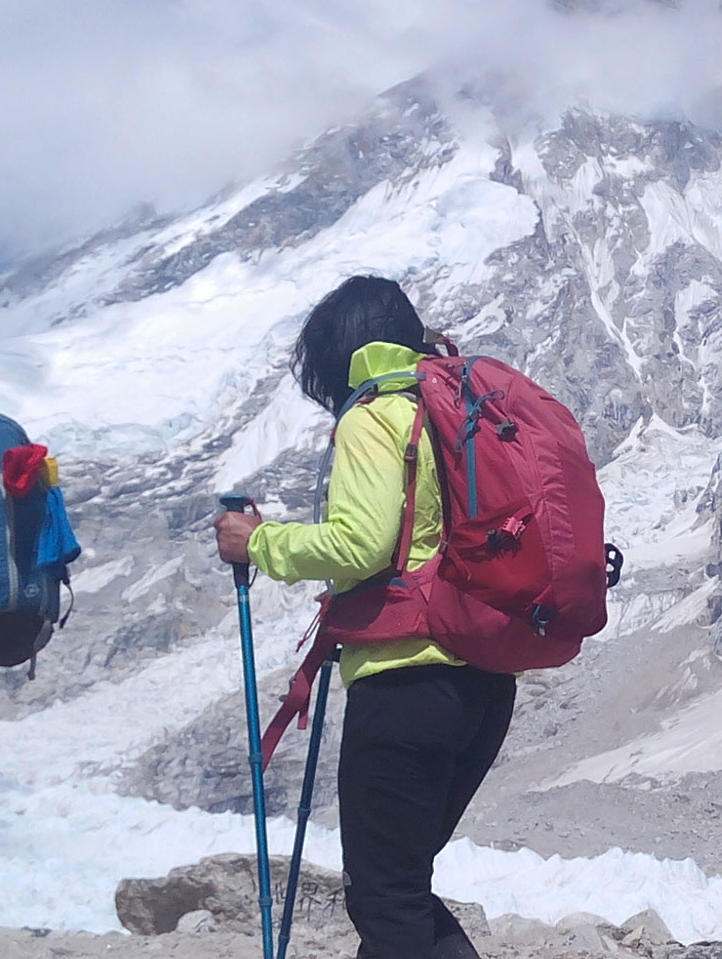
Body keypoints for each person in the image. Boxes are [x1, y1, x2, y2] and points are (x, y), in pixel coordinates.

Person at [213, 276, 512, 959]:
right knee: (399, 886)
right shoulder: (455, 408)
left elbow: (363, 542)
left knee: (386, 896)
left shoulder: (377, 415)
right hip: (484, 685)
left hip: (407, 686)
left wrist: (258, 540)